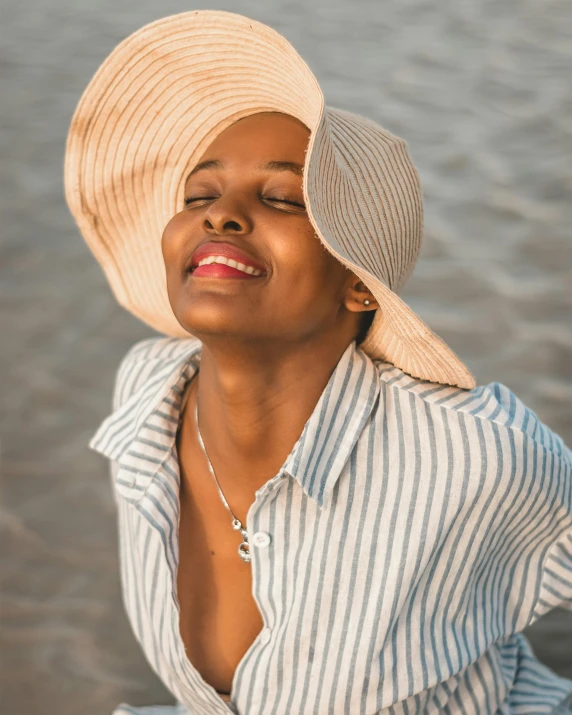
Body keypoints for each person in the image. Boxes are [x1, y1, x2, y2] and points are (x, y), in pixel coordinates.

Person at [64, 10, 572, 715]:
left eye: (280, 198)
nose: (221, 215)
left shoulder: (474, 452)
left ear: (359, 281)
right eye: (200, 195)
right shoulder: (145, 395)